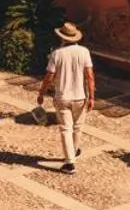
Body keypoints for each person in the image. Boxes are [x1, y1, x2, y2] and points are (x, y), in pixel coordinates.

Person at [35, 22, 94, 172]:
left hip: (62, 97)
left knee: (66, 129)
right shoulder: (84, 52)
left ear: (62, 38)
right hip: (80, 96)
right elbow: (90, 76)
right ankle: (73, 151)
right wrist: (92, 97)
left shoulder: (57, 54)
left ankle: (70, 162)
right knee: (78, 127)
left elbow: (49, 76)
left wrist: (41, 92)